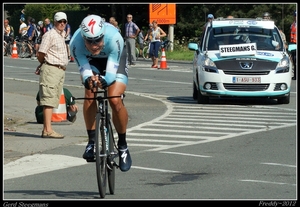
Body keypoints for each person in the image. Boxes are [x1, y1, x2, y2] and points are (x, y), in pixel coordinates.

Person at [69, 14, 132, 172]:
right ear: (83, 38)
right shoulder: (75, 44)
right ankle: (91, 142)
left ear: (103, 34)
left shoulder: (114, 38)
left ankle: (123, 145)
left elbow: (110, 75)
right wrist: (89, 79)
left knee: (115, 99)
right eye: (89, 41)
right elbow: (85, 72)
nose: (94, 44)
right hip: (92, 61)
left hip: (114, 58)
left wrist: (105, 80)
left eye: (98, 40)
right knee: (90, 91)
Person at [35, 12, 69, 139]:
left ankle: (48, 129)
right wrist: (45, 64)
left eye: (64, 22)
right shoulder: (50, 35)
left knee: (53, 98)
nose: (62, 24)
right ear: (54, 22)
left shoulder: (62, 35)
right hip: (52, 68)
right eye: (59, 21)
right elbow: (41, 53)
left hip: (59, 70)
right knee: (48, 100)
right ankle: (47, 130)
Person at [290, 11, 297, 80]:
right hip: (293, 44)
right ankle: (295, 75)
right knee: (294, 61)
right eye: (295, 16)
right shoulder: (292, 25)